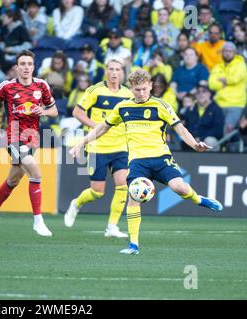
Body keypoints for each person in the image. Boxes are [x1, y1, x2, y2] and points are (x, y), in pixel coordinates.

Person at [70, 69, 223, 255]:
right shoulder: (123, 107)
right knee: (133, 197)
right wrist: (81, 143)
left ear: (150, 86)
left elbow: (180, 129)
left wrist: (195, 145)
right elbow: (102, 128)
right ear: (131, 89)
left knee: (180, 188)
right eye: (137, 90)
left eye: (144, 89)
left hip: (161, 158)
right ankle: (133, 245)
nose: (141, 93)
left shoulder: (161, 106)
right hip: (137, 162)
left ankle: (200, 199)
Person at [0, 50, 58, 237]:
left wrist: (45, 112)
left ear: (33, 66)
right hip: (14, 136)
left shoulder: (41, 85)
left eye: (29, 64)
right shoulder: (7, 86)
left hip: (33, 138)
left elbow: (54, 110)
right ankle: (38, 220)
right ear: (17, 67)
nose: (26, 67)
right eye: (22, 64)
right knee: (35, 172)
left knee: (13, 180)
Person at [64, 57, 133, 238]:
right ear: (106, 71)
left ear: (123, 73)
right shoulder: (95, 90)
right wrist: (96, 126)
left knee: (123, 186)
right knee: (97, 191)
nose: (114, 73)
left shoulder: (128, 94)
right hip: (97, 147)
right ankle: (76, 204)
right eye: (111, 69)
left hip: (120, 147)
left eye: (118, 70)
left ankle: (112, 227)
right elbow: (77, 112)